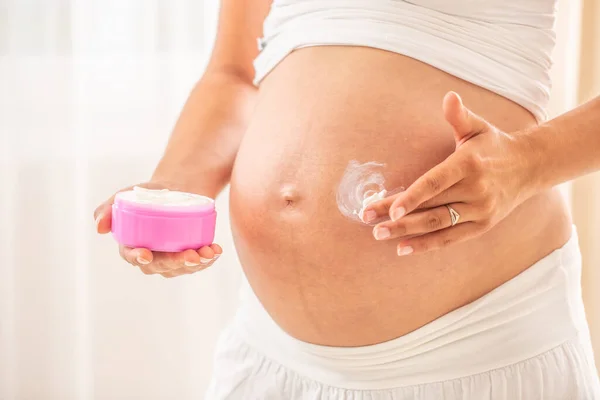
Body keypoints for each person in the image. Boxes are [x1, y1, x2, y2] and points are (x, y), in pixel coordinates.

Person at [94, 0, 600, 398]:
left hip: (476, 353)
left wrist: (528, 162)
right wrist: (174, 184)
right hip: (270, 359)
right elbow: (235, 75)